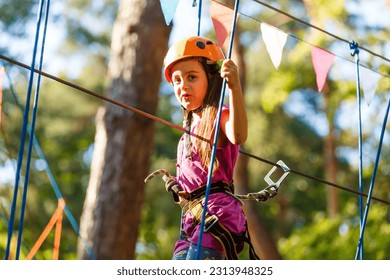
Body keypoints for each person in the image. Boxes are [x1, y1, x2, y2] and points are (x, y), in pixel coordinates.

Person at [162, 36, 258, 260]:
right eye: (176, 80)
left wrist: (234, 87)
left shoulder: (218, 116)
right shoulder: (186, 133)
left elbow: (239, 134)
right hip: (191, 220)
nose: (183, 85)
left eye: (191, 77)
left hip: (218, 215)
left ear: (212, 79)